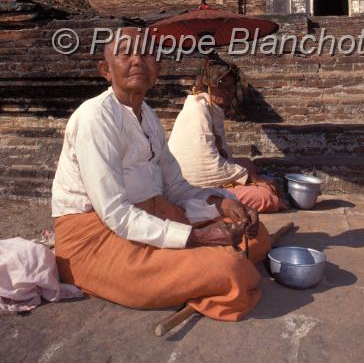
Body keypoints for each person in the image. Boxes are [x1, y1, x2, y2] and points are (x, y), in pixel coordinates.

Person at [52, 28, 271, 322]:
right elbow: (116, 213)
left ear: (158, 69)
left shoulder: (150, 118)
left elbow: (177, 187)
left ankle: (196, 271)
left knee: (256, 235)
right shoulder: (95, 117)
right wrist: (195, 236)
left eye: (146, 54)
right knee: (231, 269)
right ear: (106, 70)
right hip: (95, 236)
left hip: (151, 215)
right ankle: (203, 271)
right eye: (125, 53)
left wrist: (223, 202)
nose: (137, 61)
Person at [168, 57, 287, 213]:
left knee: (249, 164)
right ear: (207, 86)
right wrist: (251, 179)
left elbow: (219, 155)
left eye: (231, 87)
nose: (228, 92)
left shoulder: (212, 108)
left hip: (211, 175)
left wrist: (246, 174)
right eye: (222, 86)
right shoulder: (197, 109)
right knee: (265, 197)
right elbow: (204, 165)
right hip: (193, 186)